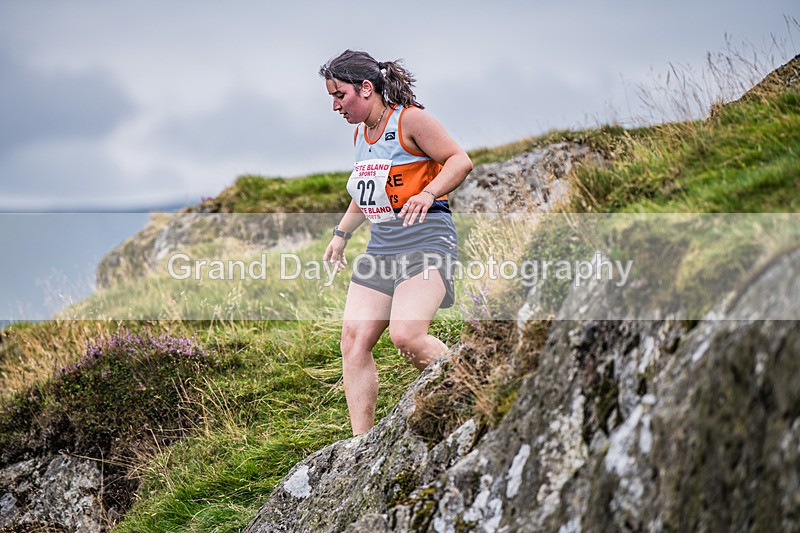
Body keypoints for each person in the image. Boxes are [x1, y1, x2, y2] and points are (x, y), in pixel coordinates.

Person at [320, 49, 472, 435]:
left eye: (340, 95)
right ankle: (361, 445)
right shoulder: (360, 133)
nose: (336, 106)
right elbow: (366, 192)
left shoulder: (411, 120)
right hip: (383, 246)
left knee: (407, 336)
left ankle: (474, 387)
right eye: (332, 98)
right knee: (353, 341)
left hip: (427, 239)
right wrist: (341, 234)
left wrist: (428, 192)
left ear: (366, 88)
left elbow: (459, 160)